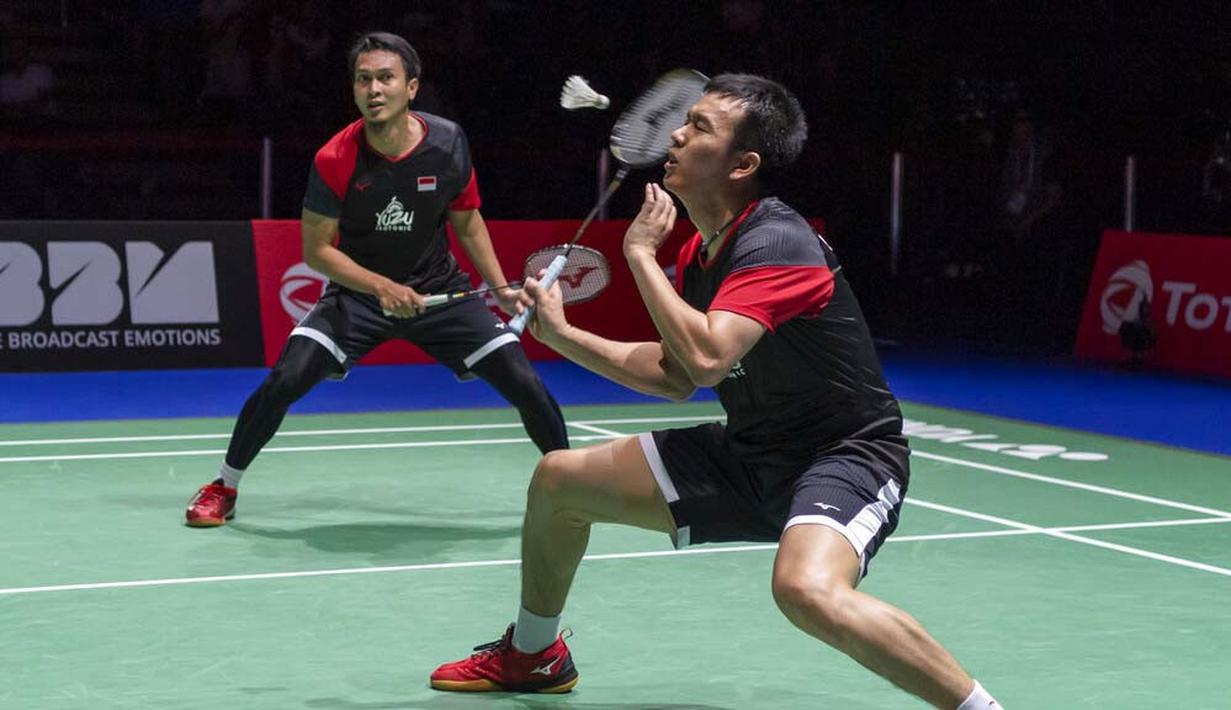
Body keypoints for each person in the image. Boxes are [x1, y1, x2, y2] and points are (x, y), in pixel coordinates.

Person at [429, 74, 1001, 709]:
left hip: (843, 458)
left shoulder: (778, 242)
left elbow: (704, 357)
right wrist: (562, 336)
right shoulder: (702, 254)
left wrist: (640, 255)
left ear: (743, 164)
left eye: (699, 126)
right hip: (749, 453)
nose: (675, 133)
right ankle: (534, 657)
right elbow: (675, 375)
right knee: (560, 481)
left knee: (806, 590)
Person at [185, 32, 568, 526]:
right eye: (363, 79)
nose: (374, 89)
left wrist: (501, 287)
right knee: (286, 378)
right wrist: (381, 287)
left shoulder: (448, 142)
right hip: (359, 296)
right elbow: (317, 251)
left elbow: (467, 219)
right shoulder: (334, 157)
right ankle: (224, 486)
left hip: (438, 292)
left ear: (412, 87)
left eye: (386, 78)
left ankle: (571, 486)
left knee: (525, 382)